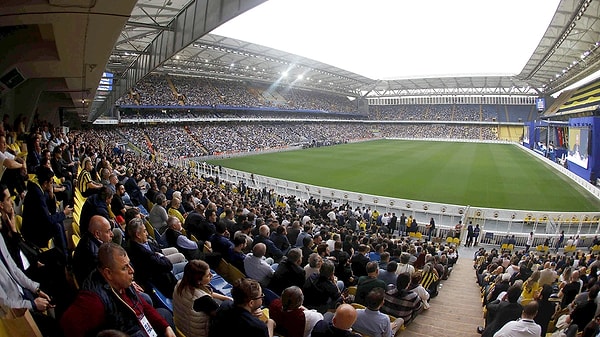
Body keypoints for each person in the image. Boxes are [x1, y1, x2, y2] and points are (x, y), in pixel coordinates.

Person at [61, 243, 175, 337]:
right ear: (108, 273)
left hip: (134, 325)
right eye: (124, 268)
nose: (132, 270)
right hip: (126, 332)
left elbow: (140, 303)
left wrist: (165, 326)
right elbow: (68, 324)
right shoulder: (93, 301)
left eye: (129, 264)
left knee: (164, 314)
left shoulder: (121, 281)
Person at [172, 260, 232, 337]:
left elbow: (204, 293)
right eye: (207, 275)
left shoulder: (180, 284)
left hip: (181, 325)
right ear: (198, 281)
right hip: (195, 333)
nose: (212, 275)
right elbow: (221, 318)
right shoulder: (204, 299)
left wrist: (225, 297)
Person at [210, 278, 276, 337]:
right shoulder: (258, 327)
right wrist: (270, 323)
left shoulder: (225, 305)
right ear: (251, 303)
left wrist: (250, 314)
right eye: (261, 295)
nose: (262, 297)